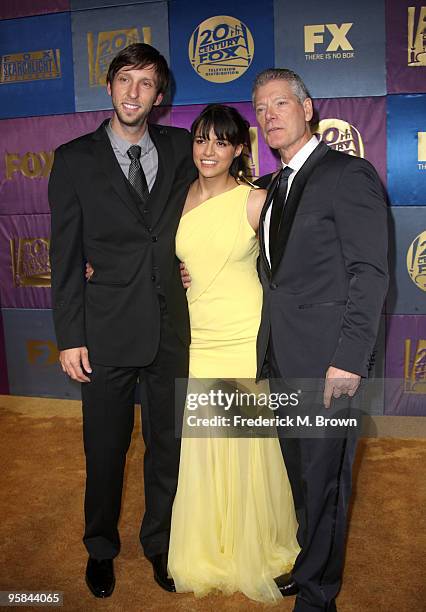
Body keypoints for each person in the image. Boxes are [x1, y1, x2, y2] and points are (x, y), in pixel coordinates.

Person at [48, 43, 196, 598]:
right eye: (125, 80)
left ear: (160, 96)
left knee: (168, 445)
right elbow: (64, 256)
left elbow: (215, 207)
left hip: (171, 328)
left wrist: (193, 265)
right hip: (105, 329)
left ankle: (159, 545)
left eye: (146, 83)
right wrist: (70, 337)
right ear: (109, 87)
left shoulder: (184, 147)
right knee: (105, 450)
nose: (134, 93)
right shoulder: (74, 158)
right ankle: (100, 548)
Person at [252, 69, 389, 612]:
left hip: (329, 363)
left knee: (325, 482)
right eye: (260, 108)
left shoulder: (347, 174)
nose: (270, 115)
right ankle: (310, 561)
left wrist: (349, 360)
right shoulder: (271, 186)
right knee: (301, 477)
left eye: (281, 102)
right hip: (281, 357)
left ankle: (317, 596)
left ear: (308, 108)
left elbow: (370, 274)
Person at [168, 103, 300, 602]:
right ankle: (214, 544)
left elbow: (288, 267)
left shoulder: (255, 201)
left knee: (245, 446)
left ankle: (254, 545)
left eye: (221, 142)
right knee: (205, 444)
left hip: (243, 336)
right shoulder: (177, 197)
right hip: (199, 337)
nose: (209, 150)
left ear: (239, 149)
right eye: (202, 139)